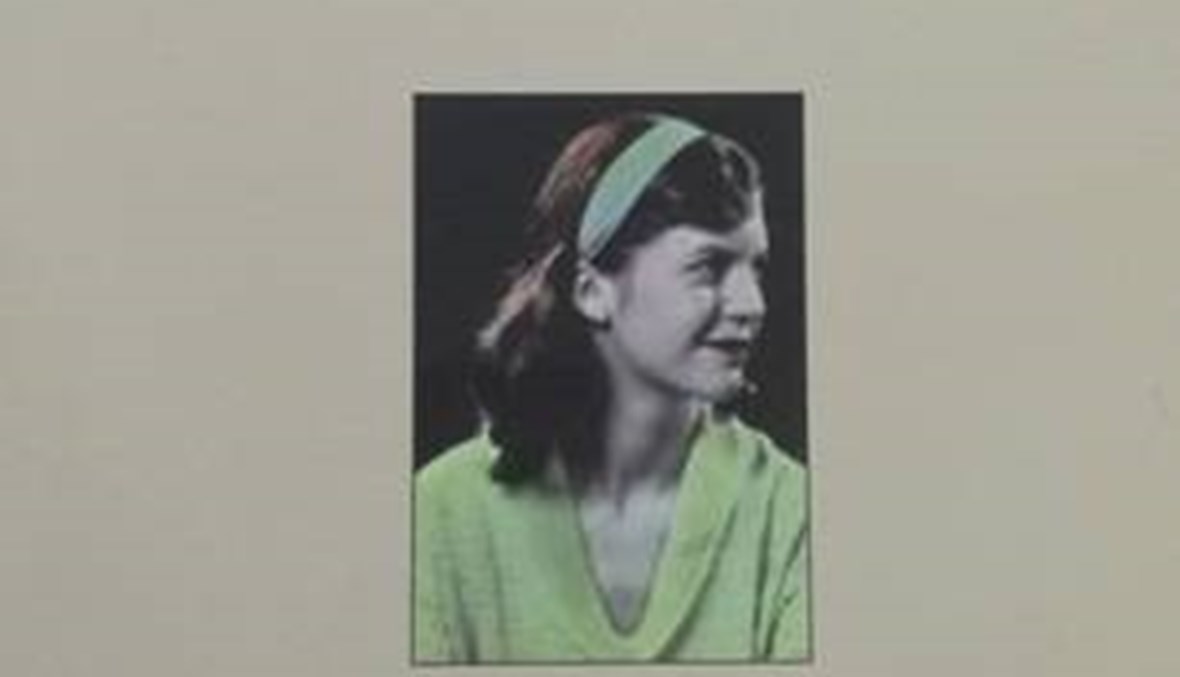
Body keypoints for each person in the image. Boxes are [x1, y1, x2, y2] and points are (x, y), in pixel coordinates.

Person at [414, 112, 809, 663]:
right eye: (708, 267)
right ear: (593, 291)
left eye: (756, 268)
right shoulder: (443, 512)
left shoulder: (788, 509)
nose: (753, 305)